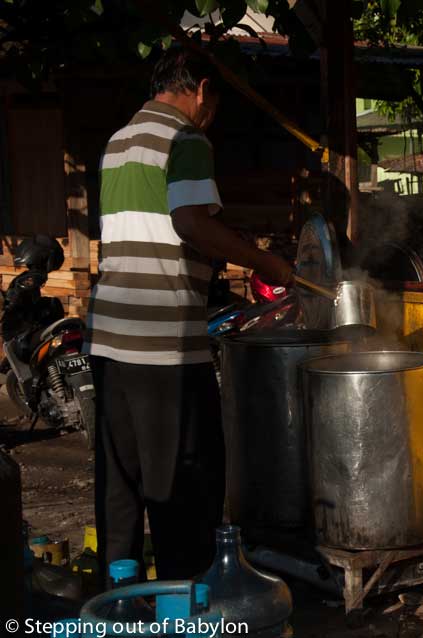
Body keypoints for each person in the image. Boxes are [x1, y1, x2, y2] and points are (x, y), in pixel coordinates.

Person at [86, 48, 293, 581]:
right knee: (183, 481)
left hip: (109, 337)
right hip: (165, 342)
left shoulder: (118, 141)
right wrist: (263, 259)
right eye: (215, 103)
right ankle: (185, 603)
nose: (211, 114)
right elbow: (191, 223)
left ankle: (120, 599)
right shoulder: (186, 139)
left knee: (122, 482)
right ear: (202, 89)